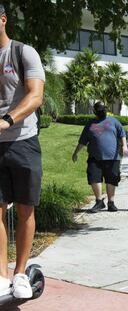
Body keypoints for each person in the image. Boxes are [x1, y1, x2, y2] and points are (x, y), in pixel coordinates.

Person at [0, 5, 45, 298]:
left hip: (23, 141)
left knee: (26, 208)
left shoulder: (23, 52)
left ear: (2, 19)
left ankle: (20, 274)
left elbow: (36, 94)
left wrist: (6, 120)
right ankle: (2, 276)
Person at [72, 102, 128, 213]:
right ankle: (99, 202)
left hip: (113, 157)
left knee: (111, 179)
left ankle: (111, 203)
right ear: (95, 112)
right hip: (95, 157)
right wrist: (76, 153)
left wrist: (124, 146)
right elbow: (83, 140)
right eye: (99, 110)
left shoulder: (114, 121)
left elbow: (122, 134)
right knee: (94, 178)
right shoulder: (90, 124)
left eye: (103, 110)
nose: (102, 112)